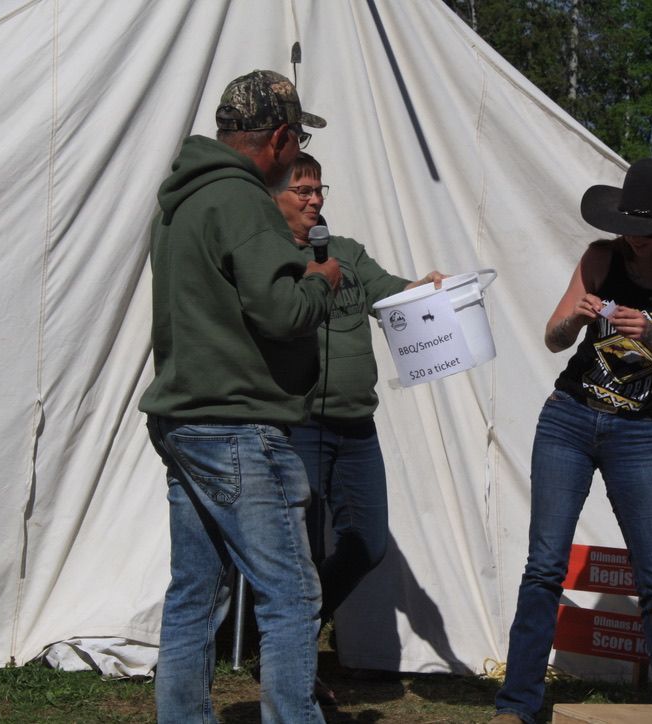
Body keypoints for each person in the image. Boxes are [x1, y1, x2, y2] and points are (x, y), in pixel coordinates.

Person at [139, 69, 340, 724]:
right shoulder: (244, 200)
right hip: (237, 424)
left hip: (184, 417)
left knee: (194, 595)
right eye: (295, 144)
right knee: (292, 597)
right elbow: (281, 311)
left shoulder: (178, 201)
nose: (294, 160)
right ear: (280, 138)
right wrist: (320, 281)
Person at [491, 158, 652, 723]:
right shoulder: (601, 258)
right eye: (629, 229)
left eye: (647, 232)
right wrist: (578, 319)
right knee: (544, 566)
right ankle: (516, 706)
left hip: (639, 434)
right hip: (569, 418)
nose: (635, 242)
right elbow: (552, 336)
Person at [273, 152, 445, 695]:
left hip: (355, 427)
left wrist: (422, 288)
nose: (315, 200)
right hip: (297, 424)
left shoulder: (346, 252)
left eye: (319, 189)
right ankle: (292, 664)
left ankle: (279, 635)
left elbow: (387, 291)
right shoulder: (266, 258)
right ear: (273, 195)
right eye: (303, 191)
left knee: (367, 543)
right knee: (301, 551)